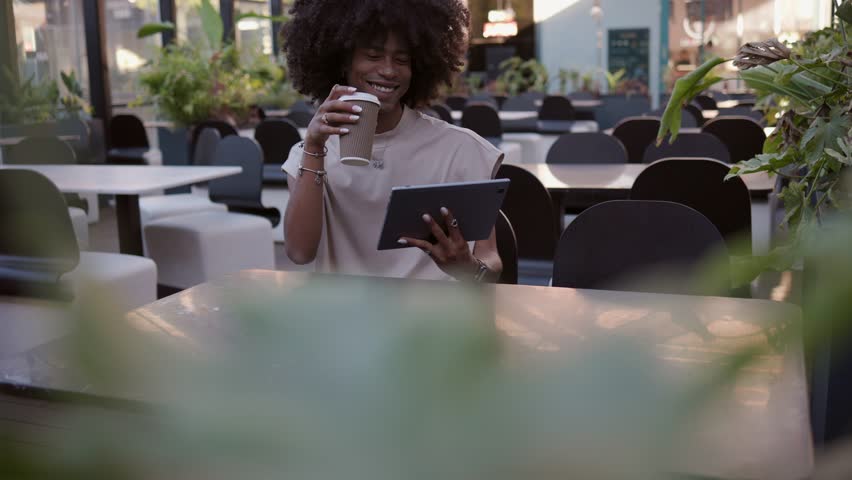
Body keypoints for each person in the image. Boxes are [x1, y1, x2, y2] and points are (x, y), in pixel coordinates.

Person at [280, 0, 504, 282]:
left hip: (435, 319)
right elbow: (300, 253)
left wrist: (468, 267)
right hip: (343, 318)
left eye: (401, 60)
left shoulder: (461, 149)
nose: (388, 70)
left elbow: (491, 262)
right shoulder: (309, 154)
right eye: (373, 56)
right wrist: (314, 147)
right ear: (342, 60)